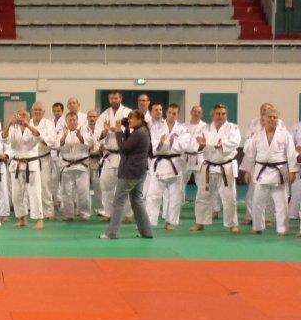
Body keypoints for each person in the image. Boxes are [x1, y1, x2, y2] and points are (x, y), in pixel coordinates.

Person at [100, 110, 154, 240]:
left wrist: (119, 131)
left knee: (119, 201)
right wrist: (126, 129)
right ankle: (146, 232)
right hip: (139, 171)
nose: (129, 121)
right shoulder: (143, 131)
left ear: (140, 120)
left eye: (132, 119)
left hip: (130, 172)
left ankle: (112, 233)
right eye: (128, 119)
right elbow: (130, 144)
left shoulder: (139, 133)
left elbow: (123, 149)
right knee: (137, 201)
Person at [244, 107, 297, 235]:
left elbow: (291, 154)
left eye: (275, 117)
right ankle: (257, 227)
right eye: (270, 117)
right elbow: (250, 155)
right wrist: (247, 170)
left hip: (279, 172)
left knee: (281, 203)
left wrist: (293, 171)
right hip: (261, 172)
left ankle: (282, 229)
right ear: (264, 119)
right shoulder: (257, 135)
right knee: (257, 202)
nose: (272, 119)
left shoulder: (285, 135)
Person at [190, 104, 242, 234]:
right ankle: (200, 222)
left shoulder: (233, 128)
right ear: (212, 115)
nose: (221, 116)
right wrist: (201, 145)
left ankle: (232, 224)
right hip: (208, 166)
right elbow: (196, 144)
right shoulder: (205, 128)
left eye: (223, 114)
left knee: (229, 197)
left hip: (226, 167)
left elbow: (235, 142)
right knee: (202, 195)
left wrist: (221, 145)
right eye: (218, 114)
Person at [145, 102, 188, 230]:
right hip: (160, 164)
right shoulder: (156, 127)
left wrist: (166, 143)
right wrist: (165, 143)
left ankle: (170, 222)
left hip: (176, 165)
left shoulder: (183, 129)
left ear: (178, 115)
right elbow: (154, 146)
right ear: (166, 113)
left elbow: (183, 146)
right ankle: (148, 222)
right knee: (153, 195)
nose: (171, 115)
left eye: (174, 113)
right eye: (169, 112)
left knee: (175, 197)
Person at [4, 108, 45, 229]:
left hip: (31, 165)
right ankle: (22, 218)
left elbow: (39, 137)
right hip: (16, 164)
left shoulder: (33, 127)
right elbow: (4, 137)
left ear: (28, 117)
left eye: (24, 115)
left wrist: (28, 125)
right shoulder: (13, 128)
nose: (21, 117)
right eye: (19, 115)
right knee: (16, 194)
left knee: (35, 193)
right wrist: (9, 124)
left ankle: (39, 219)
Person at [94, 91, 132, 220]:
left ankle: (128, 214)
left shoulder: (127, 112)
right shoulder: (104, 115)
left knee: (125, 186)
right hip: (109, 155)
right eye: (111, 98)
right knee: (106, 186)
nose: (114, 100)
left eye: (116, 98)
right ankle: (108, 212)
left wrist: (117, 129)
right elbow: (97, 134)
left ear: (120, 98)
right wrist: (105, 132)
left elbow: (132, 129)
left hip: (123, 155)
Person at [57, 109, 96, 221]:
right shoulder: (62, 131)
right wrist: (64, 137)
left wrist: (80, 137)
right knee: (66, 192)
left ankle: (84, 214)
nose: (72, 122)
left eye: (74, 120)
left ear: (77, 120)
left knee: (83, 191)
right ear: (66, 121)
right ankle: (69, 214)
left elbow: (91, 143)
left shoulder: (84, 129)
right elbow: (57, 146)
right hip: (67, 165)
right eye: (70, 120)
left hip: (81, 165)